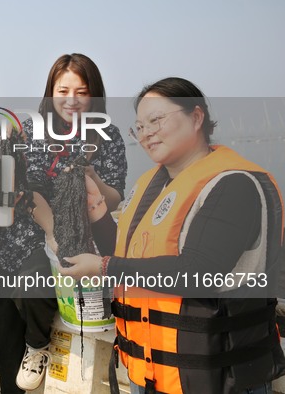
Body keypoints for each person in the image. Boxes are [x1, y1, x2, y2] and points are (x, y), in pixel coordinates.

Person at [59, 77, 285, 393]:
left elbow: (198, 272)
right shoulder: (149, 186)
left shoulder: (234, 186)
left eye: (156, 120)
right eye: (139, 126)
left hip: (216, 379)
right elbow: (128, 256)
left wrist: (103, 267)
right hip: (152, 373)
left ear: (196, 117)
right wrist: (97, 211)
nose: (146, 132)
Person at [0, 53, 128, 392]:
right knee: (31, 280)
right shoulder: (30, 131)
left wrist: (91, 175)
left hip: (85, 232)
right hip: (31, 229)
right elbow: (21, 188)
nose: (71, 100)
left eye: (81, 91)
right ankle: (36, 346)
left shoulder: (107, 135)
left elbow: (115, 197)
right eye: (63, 90)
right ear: (50, 91)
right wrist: (52, 231)